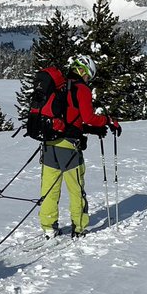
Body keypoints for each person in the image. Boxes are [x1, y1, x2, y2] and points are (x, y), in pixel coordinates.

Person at [39, 54, 121, 239]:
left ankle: (48, 227)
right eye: (87, 76)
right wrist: (107, 121)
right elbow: (88, 117)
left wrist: (91, 131)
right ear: (83, 71)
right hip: (69, 147)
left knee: (50, 189)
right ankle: (79, 226)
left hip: (49, 143)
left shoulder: (59, 88)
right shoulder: (81, 89)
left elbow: (70, 119)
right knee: (76, 188)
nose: (87, 80)